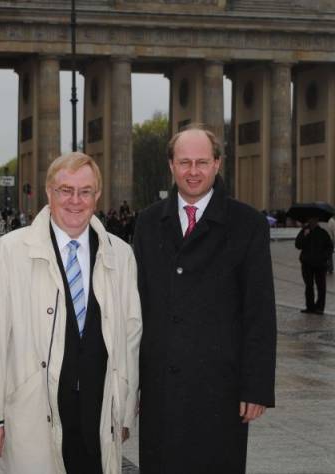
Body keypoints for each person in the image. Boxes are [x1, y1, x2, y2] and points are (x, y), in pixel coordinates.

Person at [0, 152, 142, 474]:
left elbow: (131, 335)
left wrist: (125, 409)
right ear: (49, 192)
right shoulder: (8, 253)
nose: (75, 201)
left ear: (97, 195)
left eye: (85, 191)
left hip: (99, 409)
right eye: (65, 190)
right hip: (34, 409)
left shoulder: (121, 254)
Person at [133, 125, 277, 474]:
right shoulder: (148, 223)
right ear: (171, 165)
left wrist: (255, 387)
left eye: (201, 162)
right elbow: (136, 307)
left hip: (220, 389)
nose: (193, 171)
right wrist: (128, 386)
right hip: (160, 387)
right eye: (184, 162)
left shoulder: (248, 224)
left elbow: (259, 311)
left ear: (217, 164)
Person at [295, 217, 333, 314]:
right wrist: (304, 235)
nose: (311, 222)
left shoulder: (323, 233)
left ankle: (320, 308)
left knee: (321, 287)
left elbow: (330, 247)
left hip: (320, 264)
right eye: (310, 220)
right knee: (309, 286)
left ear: (316, 221)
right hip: (307, 264)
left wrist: (324, 257)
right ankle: (310, 307)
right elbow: (298, 245)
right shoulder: (304, 231)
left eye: (314, 220)